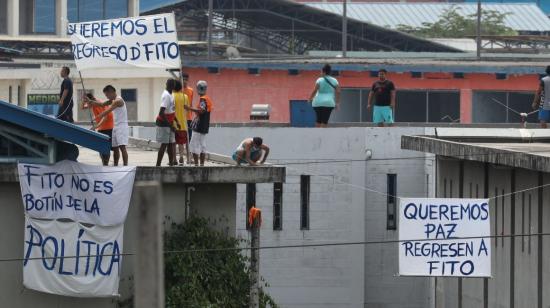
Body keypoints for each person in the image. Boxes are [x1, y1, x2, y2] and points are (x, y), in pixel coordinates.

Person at [84, 85, 129, 166]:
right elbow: (102, 104)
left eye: (107, 95)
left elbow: (108, 110)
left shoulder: (118, 100)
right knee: (115, 147)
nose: (107, 97)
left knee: (122, 147)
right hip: (115, 126)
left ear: (111, 92)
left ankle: (125, 166)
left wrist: (97, 117)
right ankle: (115, 165)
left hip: (122, 126)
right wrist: (90, 101)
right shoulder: (112, 100)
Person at [186, 80, 213, 166]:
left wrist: (189, 108)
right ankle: (201, 165)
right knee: (202, 146)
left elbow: (201, 111)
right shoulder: (207, 99)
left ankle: (197, 165)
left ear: (198, 88)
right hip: (204, 126)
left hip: (199, 126)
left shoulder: (203, 99)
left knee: (194, 145)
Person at [83, 93, 114, 166]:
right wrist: (84, 101)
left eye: (88, 102)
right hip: (101, 128)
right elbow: (83, 107)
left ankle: (106, 163)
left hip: (108, 128)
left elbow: (105, 117)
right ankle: (104, 163)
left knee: (107, 147)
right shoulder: (92, 104)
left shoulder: (99, 103)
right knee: (101, 148)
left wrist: (95, 126)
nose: (87, 105)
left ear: (91, 100)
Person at [155, 79, 180, 166]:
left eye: (172, 85)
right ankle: (158, 164)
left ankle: (171, 163)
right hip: (164, 123)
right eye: (169, 84)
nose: (171, 86)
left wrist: (177, 121)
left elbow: (171, 110)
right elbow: (161, 113)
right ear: (167, 85)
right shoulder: (166, 96)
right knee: (164, 144)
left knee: (170, 144)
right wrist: (170, 125)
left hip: (170, 123)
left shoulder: (171, 94)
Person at [173, 79, 190, 165]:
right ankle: (181, 156)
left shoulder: (171, 96)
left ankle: (174, 159)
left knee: (173, 142)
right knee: (181, 143)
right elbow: (187, 110)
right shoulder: (185, 97)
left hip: (173, 124)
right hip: (183, 124)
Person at [182, 71, 194, 155]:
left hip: (189, 118)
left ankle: (188, 156)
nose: (185, 81)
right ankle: (181, 155)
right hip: (180, 118)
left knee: (189, 138)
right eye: (183, 79)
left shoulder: (191, 90)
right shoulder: (178, 91)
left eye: (186, 79)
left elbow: (191, 104)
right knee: (180, 138)